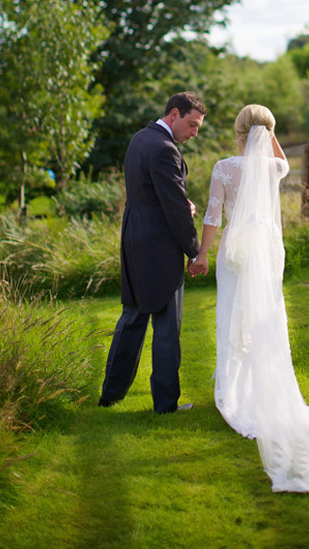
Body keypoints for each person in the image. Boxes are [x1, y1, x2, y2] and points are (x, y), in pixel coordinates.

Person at [190, 104, 309, 495]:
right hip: (266, 251)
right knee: (265, 316)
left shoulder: (224, 168)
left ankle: (236, 393)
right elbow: (279, 158)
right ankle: (262, 389)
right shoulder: (274, 169)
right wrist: (269, 130)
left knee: (232, 316)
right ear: (269, 132)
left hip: (235, 253)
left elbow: (213, 217)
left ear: (237, 131)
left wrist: (201, 254)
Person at [99, 92, 206, 413]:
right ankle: (165, 404)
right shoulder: (164, 149)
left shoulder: (140, 139)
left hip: (134, 238)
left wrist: (177, 202)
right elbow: (174, 208)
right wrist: (194, 251)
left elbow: (150, 191)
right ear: (174, 114)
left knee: (132, 317)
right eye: (192, 124)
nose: (194, 133)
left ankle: (110, 394)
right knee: (166, 327)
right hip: (159, 246)